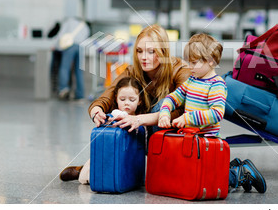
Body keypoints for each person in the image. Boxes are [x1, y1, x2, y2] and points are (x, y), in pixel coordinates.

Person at [59, 25, 190, 181]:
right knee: (122, 100)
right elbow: (107, 96)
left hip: (171, 137)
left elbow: (184, 110)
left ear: (163, 51)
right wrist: (97, 111)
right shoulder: (133, 71)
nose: (144, 57)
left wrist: (139, 119)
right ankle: (104, 165)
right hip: (141, 135)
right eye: (139, 51)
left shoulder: (180, 70)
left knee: (163, 106)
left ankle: (155, 167)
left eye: (151, 51)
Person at [158, 33, 266, 193]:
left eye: (194, 62)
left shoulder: (217, 85)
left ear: (210, 61)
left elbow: (216, 113)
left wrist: (188, 117)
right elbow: (173, 97)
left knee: (212, 179)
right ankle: (233, 166)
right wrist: (165, 112)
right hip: (193, 140)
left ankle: (242, 173)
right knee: (193, 175)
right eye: (189, 62)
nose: (190, 67)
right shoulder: (192, 81)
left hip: (208, 143)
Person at [75, 76, 148, 184]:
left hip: (131, 159)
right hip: (110, 157)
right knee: (85, 178)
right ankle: (78, 171)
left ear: (139, 101)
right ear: (116, 98)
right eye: (122, 99)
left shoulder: (141, 119)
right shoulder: (115, 114)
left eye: (132, 99)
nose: (126, 103)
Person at [55, 17, 90, 101]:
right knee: (79, 71)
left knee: (65, 67)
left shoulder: (69, 22)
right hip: (80, 47)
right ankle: (80, 95)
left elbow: (61, 34)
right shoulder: (85, 26)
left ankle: (63, 88)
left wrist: (56, 46)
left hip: (69, 46)